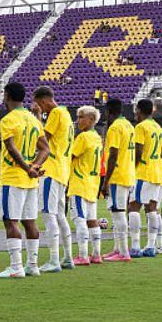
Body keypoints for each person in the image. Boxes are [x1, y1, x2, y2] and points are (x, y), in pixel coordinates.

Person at [0, 82, 49, 279]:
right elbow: (45, 149)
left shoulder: (8, 120)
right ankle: (33, 265)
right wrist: (35, 166)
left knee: (11, 221)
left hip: (13, 177)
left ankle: (16, 266)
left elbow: (10, 147)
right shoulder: (33, 120)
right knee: (30, 222)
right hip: (30, 181)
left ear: (7, 96)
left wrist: (27, 167)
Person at [34, 87, 74, 272]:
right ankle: (67, 257)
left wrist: (36, 117)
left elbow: (41, 139)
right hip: (63, 170)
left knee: (48, 214)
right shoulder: (66, 114)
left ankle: (54, 260)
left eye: (39, 104)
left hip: (51, 169)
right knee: (59, 215)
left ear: (43, 101)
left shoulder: (56, 113)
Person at [128, 99, 162, 258]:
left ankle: (135, 246)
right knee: (152, 209)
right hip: (157, 172)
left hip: (143, 171)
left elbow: (139, 151)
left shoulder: (141, 127)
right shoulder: (159, 128)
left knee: (133, 207)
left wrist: (132, 168)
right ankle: (151, 246)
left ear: (138, 110)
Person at [99, 98, 136, 262]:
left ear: (108, 111)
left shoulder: (115, 128)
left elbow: (113, 154)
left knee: (119, 212)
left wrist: (106, 180)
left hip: (118, 174)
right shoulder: (128, 125)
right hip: (128, 172)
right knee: (116, 212)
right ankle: (117, 249)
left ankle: (123, 252)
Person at [68, 106, 103, 265]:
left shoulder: (83, 137)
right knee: (92, 220)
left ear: (91, 119)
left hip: (79, 182)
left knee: (79, 219)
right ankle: (96, 254)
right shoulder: (97, 137)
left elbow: (70, 156)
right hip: (92, 183)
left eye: (81, 117)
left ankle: (82, 255)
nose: (78, 120)